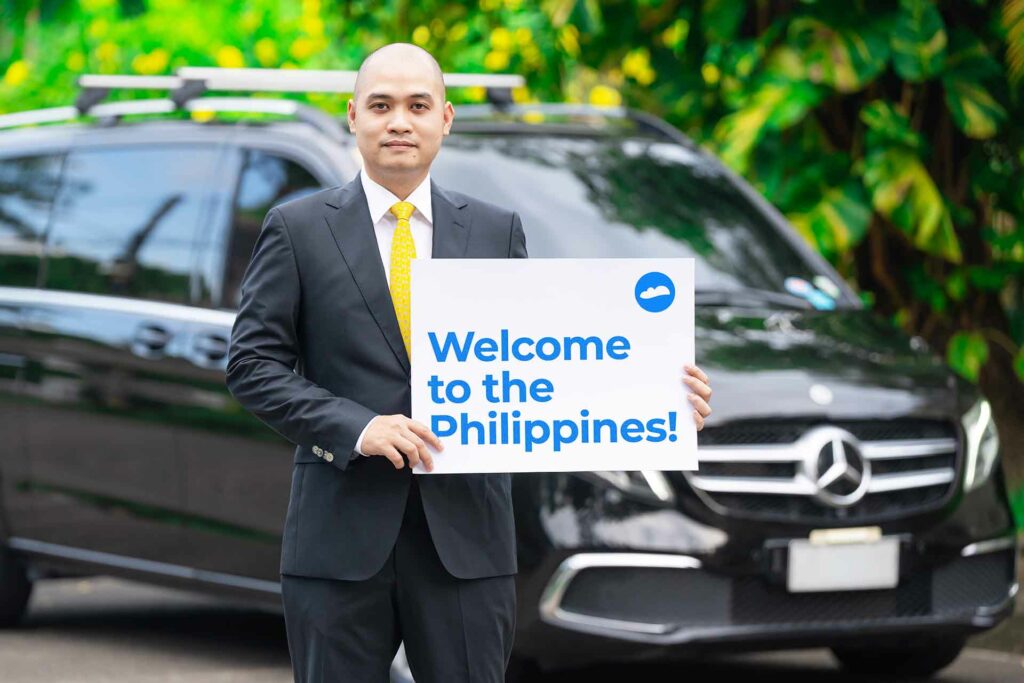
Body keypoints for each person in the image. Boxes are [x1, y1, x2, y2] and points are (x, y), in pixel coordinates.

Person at [225, 42, 713, 683]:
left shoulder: (493, 230)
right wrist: (356, 427)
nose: (399, 120)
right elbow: (252, 364)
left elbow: (543, 363)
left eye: (417, 105)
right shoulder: (297, 228)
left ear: (445, 119)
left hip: (466, 544)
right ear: (353, 117)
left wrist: (654, 400)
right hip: (338, 542)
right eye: (381, 105)